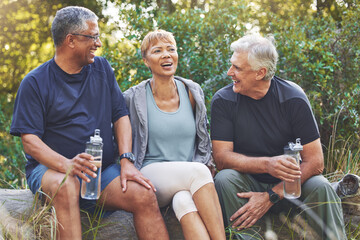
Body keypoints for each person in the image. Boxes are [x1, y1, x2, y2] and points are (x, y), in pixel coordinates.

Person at [10, 6, 169, 240]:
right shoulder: (34, 82)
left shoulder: (102, 69)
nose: (98, 43)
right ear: (71, 40)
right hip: (52, 170)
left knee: (143, 194)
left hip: (101, 172)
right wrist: (67, 165)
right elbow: (30, 142)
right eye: (92, 37)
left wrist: (126, 160)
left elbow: (120, 115)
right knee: (67, 186)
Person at [211, 34, 347, 240]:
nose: (230, 72)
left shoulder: (293, 98)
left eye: (237, 68)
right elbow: (221, 158)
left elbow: (316, 162)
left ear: (260, 72)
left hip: (290, 185)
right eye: (232, 66)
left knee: (322, 186)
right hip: (247, 183)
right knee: (224, 178)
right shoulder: (223, 100)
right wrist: (267, 165)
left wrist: (271, 196)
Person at [124, 29, 226, 240]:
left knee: (183, 201)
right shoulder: (133, 98)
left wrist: (206, 162)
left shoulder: (192, 92)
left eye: (171, 49)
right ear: (146, 61)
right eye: (157, 51)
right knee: (198, 172)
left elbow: (202, 138)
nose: (166, 55)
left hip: (187, 180)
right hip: (151, 176)